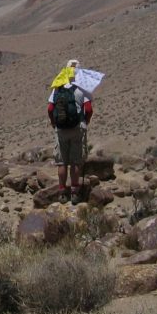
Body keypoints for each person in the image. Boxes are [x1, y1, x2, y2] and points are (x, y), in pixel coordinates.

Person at [47, 59, 94, 205]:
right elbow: (89, 109)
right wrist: (86, 121)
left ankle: (62, 192)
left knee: (62, 162)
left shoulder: (58, 87)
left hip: (61, 129)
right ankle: (74, 193)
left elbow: (50, 109)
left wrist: (54, 123)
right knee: (75, 162)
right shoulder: (82, 88)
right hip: (77, 128)